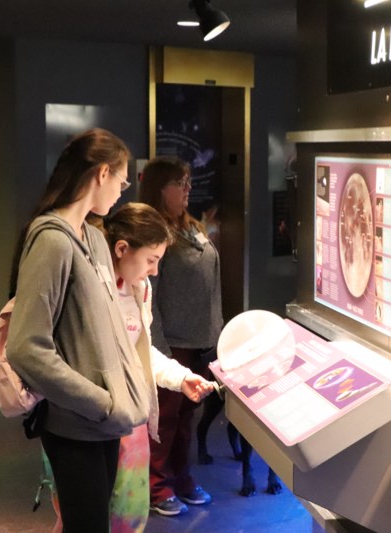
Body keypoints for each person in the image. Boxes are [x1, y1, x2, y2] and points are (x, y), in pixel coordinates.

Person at [6, 128, 151, 532]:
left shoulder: (94, 239)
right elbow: (26, 348)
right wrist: (101, 402)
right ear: (102, 173)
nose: (122, 191)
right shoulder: (52, 241)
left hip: (103, 424)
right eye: (121, 181)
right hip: (76, 425)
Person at [44, 202, 216, 533]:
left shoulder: (140, 289)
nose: (154, 271)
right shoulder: (81, 285)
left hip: (127, 418)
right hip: (83, 417)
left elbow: (137, 353)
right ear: (122, 248)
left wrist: (179, 377)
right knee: (81, 515)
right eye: (151, 260)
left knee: (127, 513)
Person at [138, 156, 224, 516]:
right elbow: (148, 294)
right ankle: (156, 486)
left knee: (188, 414)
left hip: (200, 337)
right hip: (170, 341)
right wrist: (158, 344)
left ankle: (180, 476)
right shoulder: (153, 233)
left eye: (189, 181)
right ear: (160, 189)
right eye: (180, 183)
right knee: (166, 417)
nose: (188, 189)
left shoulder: (191, 227)